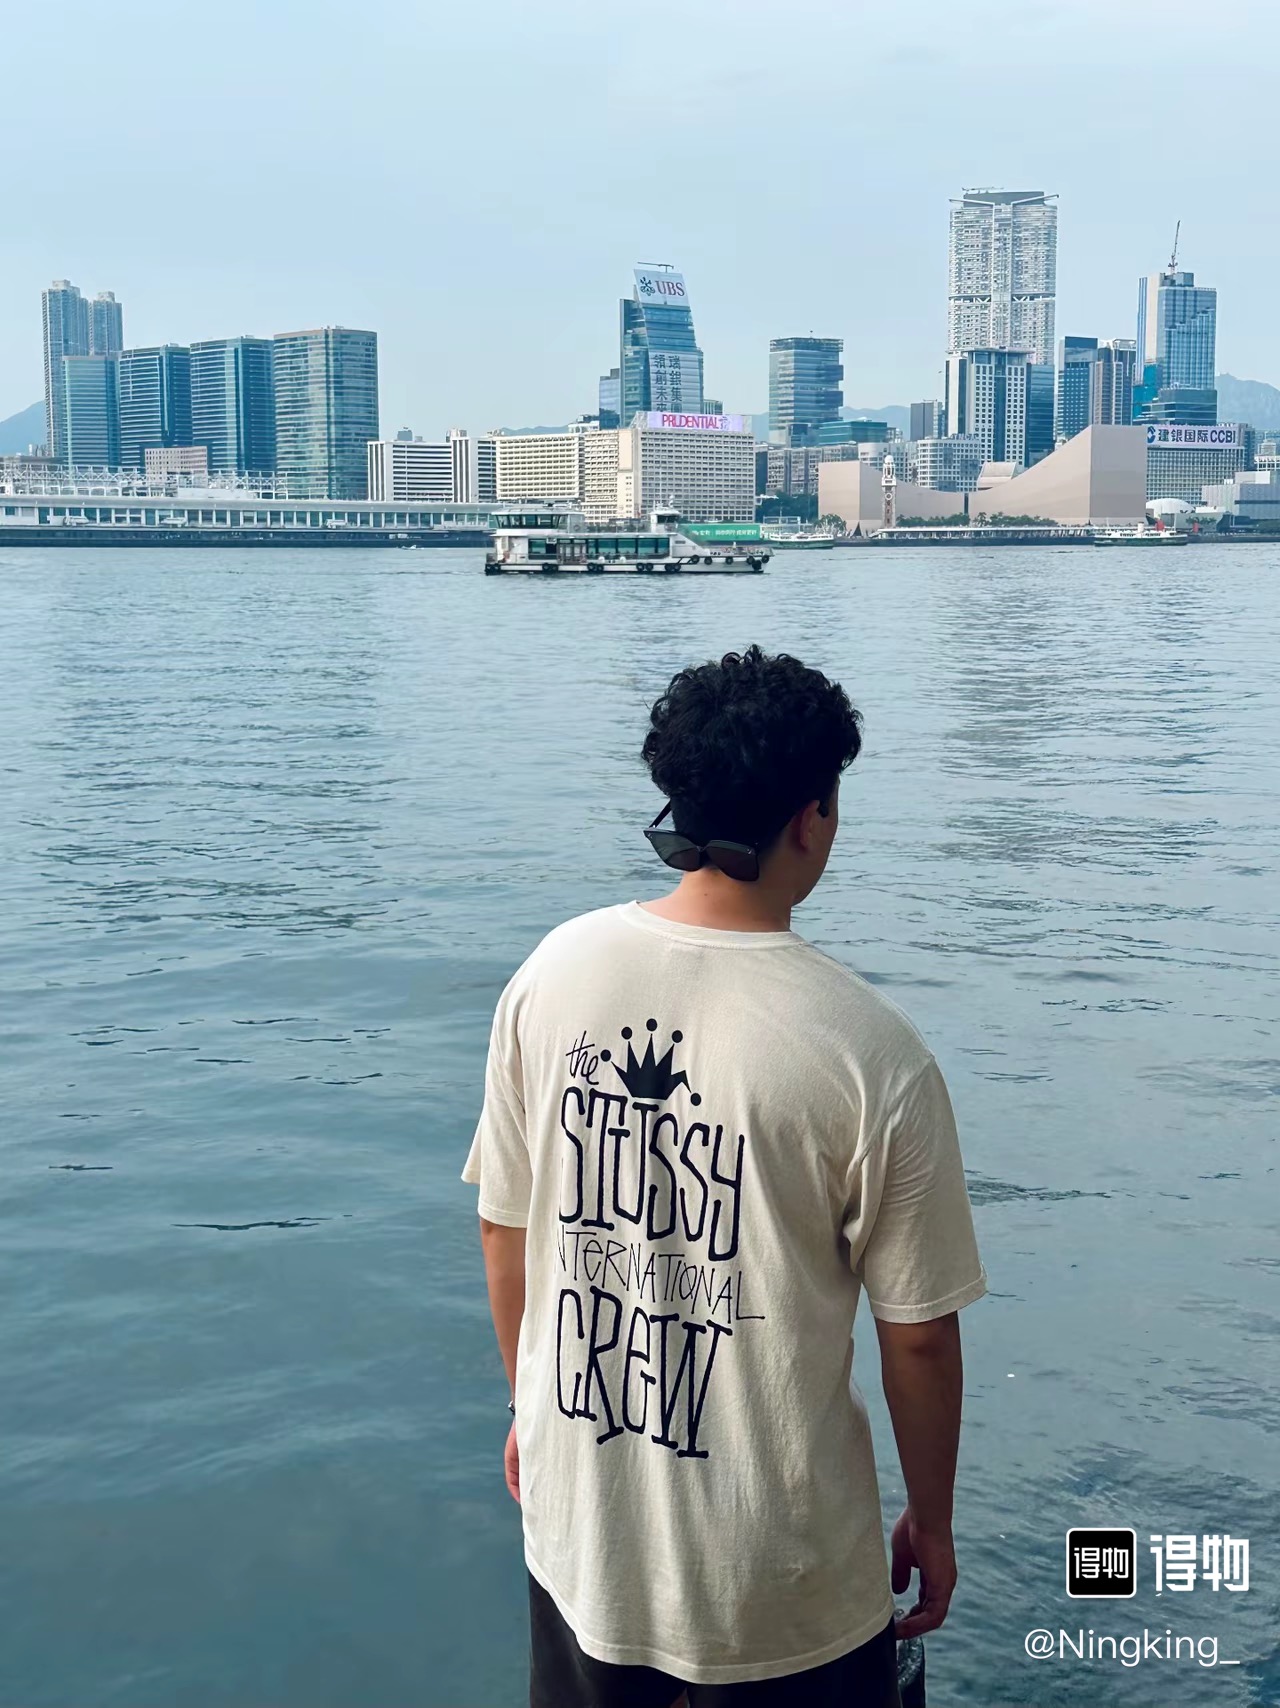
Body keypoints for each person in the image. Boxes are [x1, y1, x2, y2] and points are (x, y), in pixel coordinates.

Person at [463, 646, 987, 1708]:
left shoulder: (550, 973)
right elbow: (919, 1336)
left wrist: (532, 1402)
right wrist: (930, 1520)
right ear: (812, 818)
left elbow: (504, 1228)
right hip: (782, 1595)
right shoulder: (871, 1053)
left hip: (583, 1546)